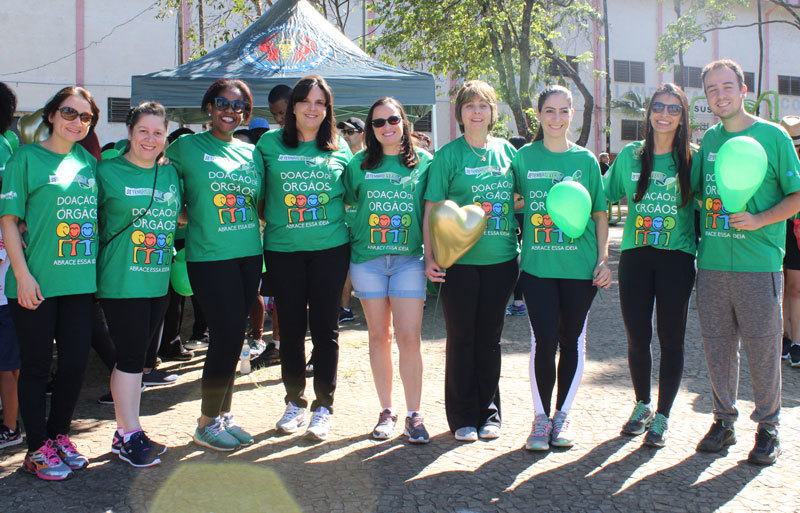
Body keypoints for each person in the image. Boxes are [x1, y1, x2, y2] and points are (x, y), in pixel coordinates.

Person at [692, 59, 800, 466]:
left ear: (743, 89)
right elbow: (698, 193)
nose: (720, 95)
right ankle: (723, 421)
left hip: (759, 265)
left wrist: (759, 219)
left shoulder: (773, 136)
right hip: (713, 263)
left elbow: (796, 195)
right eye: (712, 89)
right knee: (718, 348)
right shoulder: (709, 142)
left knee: (763, 349)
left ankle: (768, 428)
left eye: (727, 86)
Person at [0, 86, 100, 480]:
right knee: (37, 367)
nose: (77, 121)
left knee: (74, 364)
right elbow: (9, 220)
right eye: (69, 113)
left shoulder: (88, 163)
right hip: (35, 284)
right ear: (52, 115)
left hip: (79, 282)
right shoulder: (25, 158)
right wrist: (22, 275)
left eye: (85, 116)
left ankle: (59, 436)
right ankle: (36, 448)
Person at [511, 85, 611, 452]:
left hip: (579, 269)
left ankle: (562, 416)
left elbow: (599, 214)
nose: (557, 118)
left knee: (572, 341)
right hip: (537, 267)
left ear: (573, 114)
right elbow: (511, 201)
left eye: (564, 111)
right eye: (549, 111)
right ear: (538, 115)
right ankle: (540, 419)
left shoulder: (586, 160)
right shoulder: (524, 158)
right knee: (544, 342)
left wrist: (603, 260)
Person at [166, 79, 264, 452]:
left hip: (248, 254)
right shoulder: (185, 147)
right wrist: (186, 214)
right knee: (225, 335)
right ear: (209, 107)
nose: (230, 111)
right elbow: (161, 184)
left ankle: (223, 415)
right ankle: (206, 423)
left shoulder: (251, 152)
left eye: (239, 106)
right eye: (223, 103)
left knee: (235, 337)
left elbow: (259, 203)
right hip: (209, 255)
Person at [257, 75, 352, 442]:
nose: (313, 108)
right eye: (306, 101)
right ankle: (294, 402)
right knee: (292, 330)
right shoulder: (268, 144)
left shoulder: (339, 148)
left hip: (330, 249)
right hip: (283, 250)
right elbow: (254, 190)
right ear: (293, 106)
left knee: (326, 330)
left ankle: (323, 407)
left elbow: (354, 195)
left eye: (320, 103)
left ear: (327, 109)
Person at [423, 80, 518, 442]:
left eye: (483, 105)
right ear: (460, 113)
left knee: (490, 340)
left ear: (493, 112)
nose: (476, 112)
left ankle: (489, 413)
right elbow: (432, 208)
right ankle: (462, 417)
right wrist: (430, 257)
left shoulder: (508, 153)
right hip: (457, 263)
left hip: (502, 261)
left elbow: (522, 197)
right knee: (461, 338)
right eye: (469, 106)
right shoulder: (448, 156)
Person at [604, 83, 696, 447]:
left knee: (671, 339)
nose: (664, 114)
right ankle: (642, 404)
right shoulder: (631, 155)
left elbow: (712, 201)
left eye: (674, 108)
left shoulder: (693, 158)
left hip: (677, 259)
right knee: (637, 336)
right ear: (649, 112)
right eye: (658, 106)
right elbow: (602, 195)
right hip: (635, 257)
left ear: (683, 116)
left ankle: (663, 416)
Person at [344, 97, 432, 443]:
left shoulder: (424, 162)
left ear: (404, 122)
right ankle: (386, 411)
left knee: (409, 337)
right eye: (378, 122)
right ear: (371, 128)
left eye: (393, 120)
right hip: (368, 261)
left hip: (409, 260)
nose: (386, 127)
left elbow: (434, 209)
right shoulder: (358, 163)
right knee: (379, 336)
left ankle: (414, 414)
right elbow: (346, 202)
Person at [96, 102, 179, 467]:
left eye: (158, 132)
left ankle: (126, 432)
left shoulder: (170, 173)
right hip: (121, 279)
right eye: (143, 131)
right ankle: (130, 433)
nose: (150, 138)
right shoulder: (106, 171)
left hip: (158, 280)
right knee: (130, 358)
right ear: (129, 132)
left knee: (139, 361)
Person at [0, 81, 22, 450]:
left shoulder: (9, 146)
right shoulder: (11, 143)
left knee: (8, 363)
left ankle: (10, 426)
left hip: (8, 283)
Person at [337, 116, 366, 324]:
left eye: (350, 132)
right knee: (344, 268)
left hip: (364, 225)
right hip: (343, 223)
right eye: (343, 132)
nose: (345, 136)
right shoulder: (341, 157)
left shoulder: (371, 158)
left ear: (362, 134)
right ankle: (344, 308)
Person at [780, 115, 800, 367]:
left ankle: (797, 341)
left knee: (795, 287)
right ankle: (783, 336)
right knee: (780, 286)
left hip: (797, 230)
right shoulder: (777, 157)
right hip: (776, 226)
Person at [506, 135, 527, 317]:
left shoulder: (509, 167)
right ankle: (519, 302)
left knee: (513, 258)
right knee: (522, 258)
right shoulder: (527, 165)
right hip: (529, 217)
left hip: (514, 217)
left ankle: (517, 302)